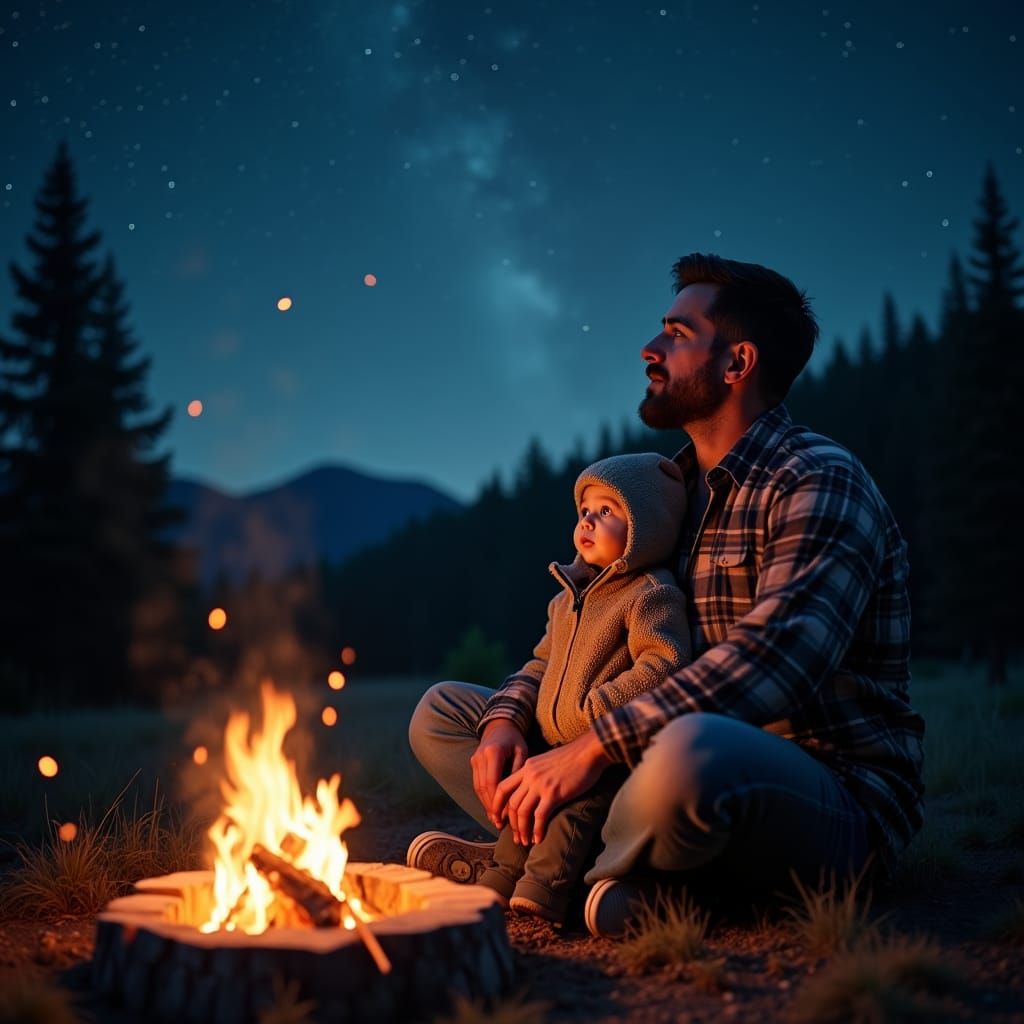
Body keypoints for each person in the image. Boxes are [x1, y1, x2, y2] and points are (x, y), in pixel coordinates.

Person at [408, 253, 925, 937]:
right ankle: (579, 868)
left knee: (693, 752)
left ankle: (592, 874)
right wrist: (505, 720)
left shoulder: (818, 479)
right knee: (446, 715)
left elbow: (777, 663)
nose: (650, 350)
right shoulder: (658, 504)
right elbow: (574, 643)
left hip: (819, 792)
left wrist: (591, 749)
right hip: (650, 761)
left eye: (678, 335)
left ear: (737, 363)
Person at [457, 452, 693, 923]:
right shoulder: (566, 598)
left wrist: (596, 712)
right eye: (585, 511)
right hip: (547, 744)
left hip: (603, 751)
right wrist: (508, 719)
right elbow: (540, 663)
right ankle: (502, 875)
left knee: (570, 817)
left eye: (607, 511)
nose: (588, 520)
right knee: (521, 803)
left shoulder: (650, 593)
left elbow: (665, 664)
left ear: (646, 527)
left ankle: (547, 889)